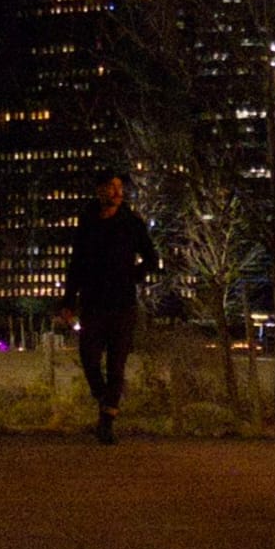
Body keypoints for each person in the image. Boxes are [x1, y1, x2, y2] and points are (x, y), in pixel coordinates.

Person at [57, 169, 157, 442]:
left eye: (119, 187)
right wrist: (68, 301)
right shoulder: (87, 221)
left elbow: (152, 258)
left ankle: (106, 422)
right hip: (93, 302)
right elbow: (76, 264)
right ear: (99, 190)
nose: (116, 191)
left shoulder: (131, 223)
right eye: (110, 187)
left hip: (123, 304)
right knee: (89, 359)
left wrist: (133, 276)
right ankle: (103, 398)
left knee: (116, 366)